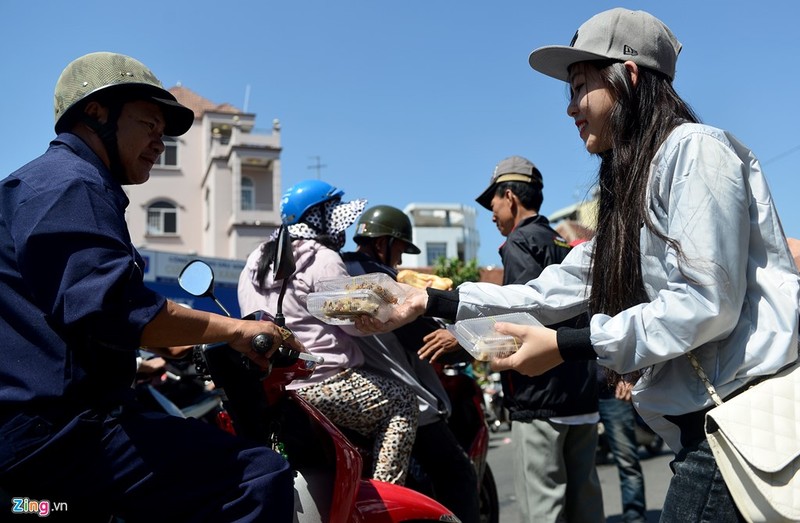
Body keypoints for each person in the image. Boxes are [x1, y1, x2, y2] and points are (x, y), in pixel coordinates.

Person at [357, 8, 800, 522]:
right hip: (705, 429)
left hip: (738, 418)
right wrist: (428, 300)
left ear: (629, 77)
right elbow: (548, 293)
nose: (571, 109)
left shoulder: (694, 151)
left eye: (580, 87)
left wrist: (567, 345)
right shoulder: (632, 193)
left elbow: (706, 303)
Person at [0, 52, 296, 522]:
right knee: (257, 476)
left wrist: (173, 346)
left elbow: (70, 321)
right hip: (58, 437)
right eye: (150, 123)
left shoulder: (48, 184)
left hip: (45, 432)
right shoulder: (70, 185)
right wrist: (235, 330)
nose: (160, 141)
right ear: (96, 112)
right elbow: (114, 307)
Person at [237, 180, 419, 485]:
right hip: (321, 381)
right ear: (318, 216)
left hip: (271, 385)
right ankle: (386, 495)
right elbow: (354, 324)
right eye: (333, 213)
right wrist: (403, 308)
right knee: (403, 401)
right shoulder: (322, 258)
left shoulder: (256, 259)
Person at [474, 156, 602, 523]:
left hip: (540, 397)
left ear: (510, 197)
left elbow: (523, 315)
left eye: (494, 204)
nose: (493, 213)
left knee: (543, 510)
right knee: (586, 508)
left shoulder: (519, 242)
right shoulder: (561, 241)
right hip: (580, 393)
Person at [341, 205, 480, 523]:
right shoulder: (388, 287)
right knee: (460, 476)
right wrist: (464, 344)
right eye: (400, 250)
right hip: (405, 401)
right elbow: (429, 341)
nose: (401, 261)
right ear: (382, 244)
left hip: (351, 399)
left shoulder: (337, 271)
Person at [597, 375, 647, 523]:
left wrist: (630, 376)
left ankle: (635, 518)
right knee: (578, 469)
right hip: (578, 399)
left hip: (612, 393)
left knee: (627, 463)